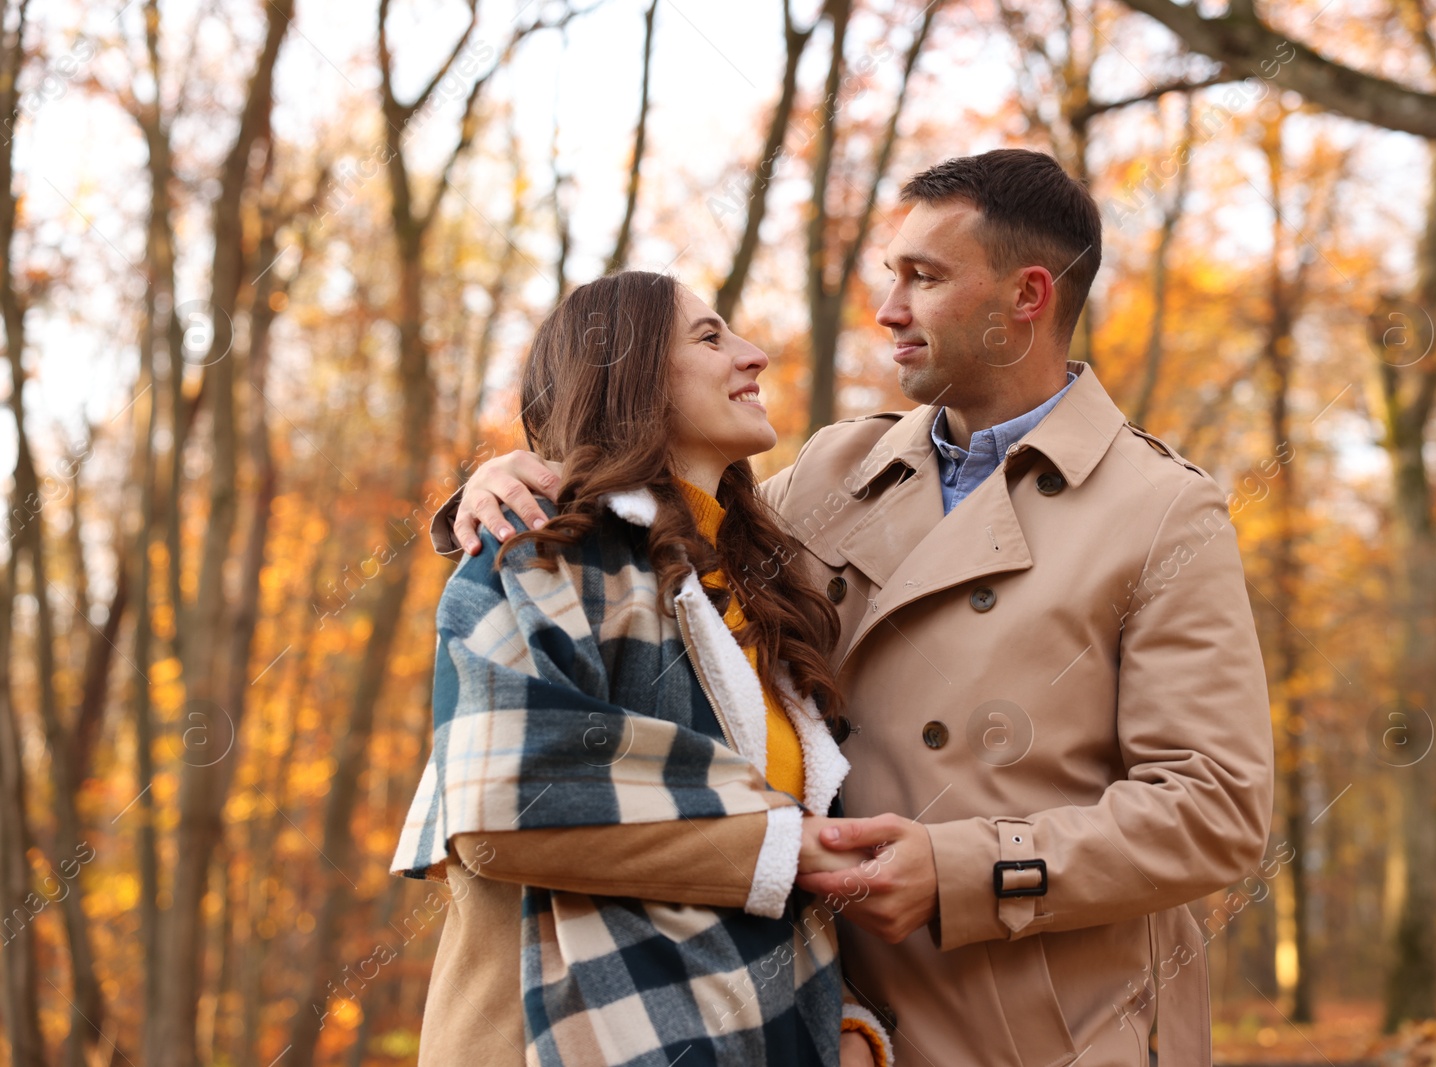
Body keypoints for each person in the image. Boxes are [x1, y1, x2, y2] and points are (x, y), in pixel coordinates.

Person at [433, 150, 1275, 1067]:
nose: (888, 309)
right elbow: (657, 520)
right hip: (818, 1019)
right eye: (890, 274)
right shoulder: (837, 471)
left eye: (924, 277)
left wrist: (967, 870)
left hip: (1035, 1032)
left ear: (1027, 296)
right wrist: (518, 478)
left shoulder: (1160, 511)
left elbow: (1213, 807)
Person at [391, 270, 894, 1067]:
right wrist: (789, 845)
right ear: (626, 375)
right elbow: (498, 801)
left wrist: (848, 1022)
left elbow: (740, 878)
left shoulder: (760, 594)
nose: (754, 355)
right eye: (710, 336)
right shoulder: (540, 551)